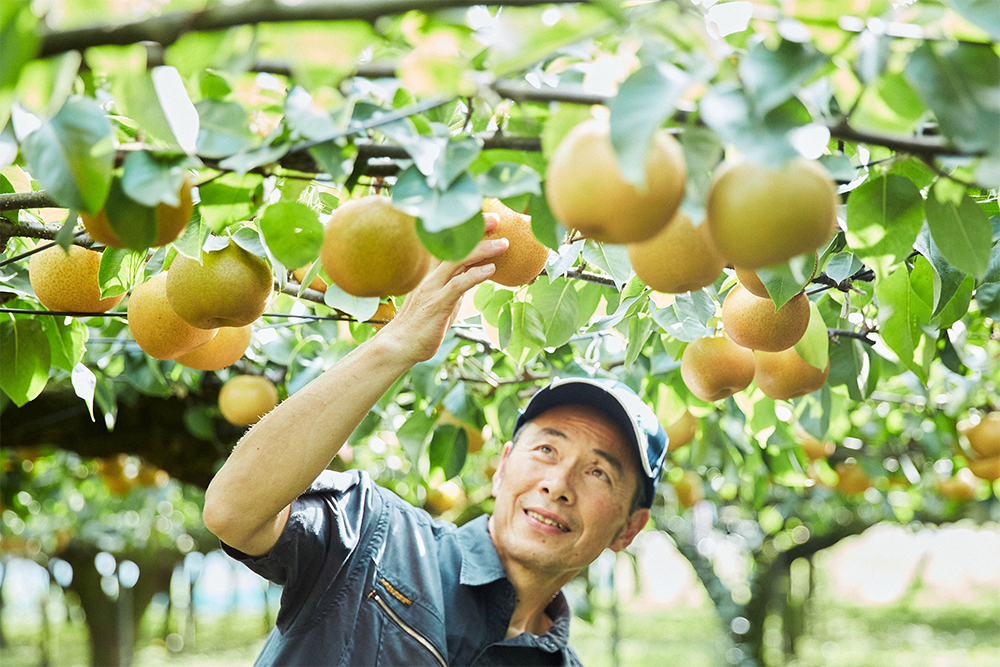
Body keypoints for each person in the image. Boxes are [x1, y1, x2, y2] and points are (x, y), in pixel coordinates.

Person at [202, 218, 668, 666]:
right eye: (546, 449)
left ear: (629, 528)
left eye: (598, 472)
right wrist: (398, 342)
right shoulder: (373, 534)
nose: (558, 484)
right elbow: (233, 512)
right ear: (503, 465)